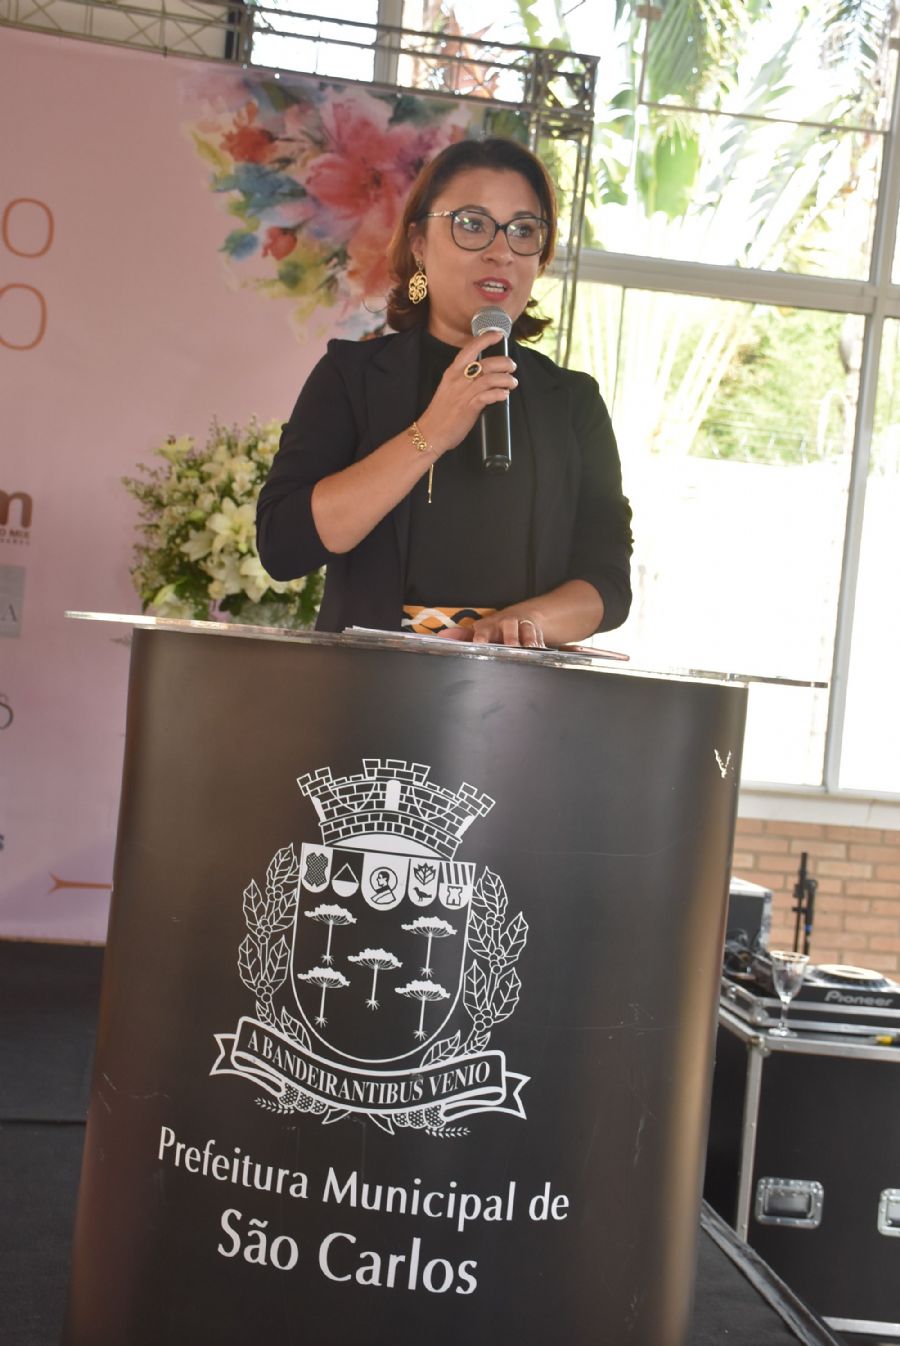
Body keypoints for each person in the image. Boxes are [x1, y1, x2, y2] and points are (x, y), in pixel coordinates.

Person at [256, 136, 632, 648]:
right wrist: (430, 434)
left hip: (517, 688)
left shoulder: (572, 402)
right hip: (366, 683)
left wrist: (521, 624)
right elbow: (283, 546)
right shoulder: (352, 376)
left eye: (524, 230)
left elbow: (608, 582)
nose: (501, 251)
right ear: (418, 244)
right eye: (472, 224)